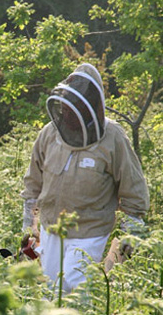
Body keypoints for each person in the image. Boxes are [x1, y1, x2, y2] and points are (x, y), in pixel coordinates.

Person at [21, 63, 149, 293]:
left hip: (90, 233)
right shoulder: (49, 134)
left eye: (76, 108)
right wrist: (30, 227)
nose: (69, 114)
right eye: (67, 108)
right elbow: (33, 183)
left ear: (91, 108)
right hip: (51, 229)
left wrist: (131, 233)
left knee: (73, 290)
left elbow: (133, 189)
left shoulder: (113, 138)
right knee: (50, 291)